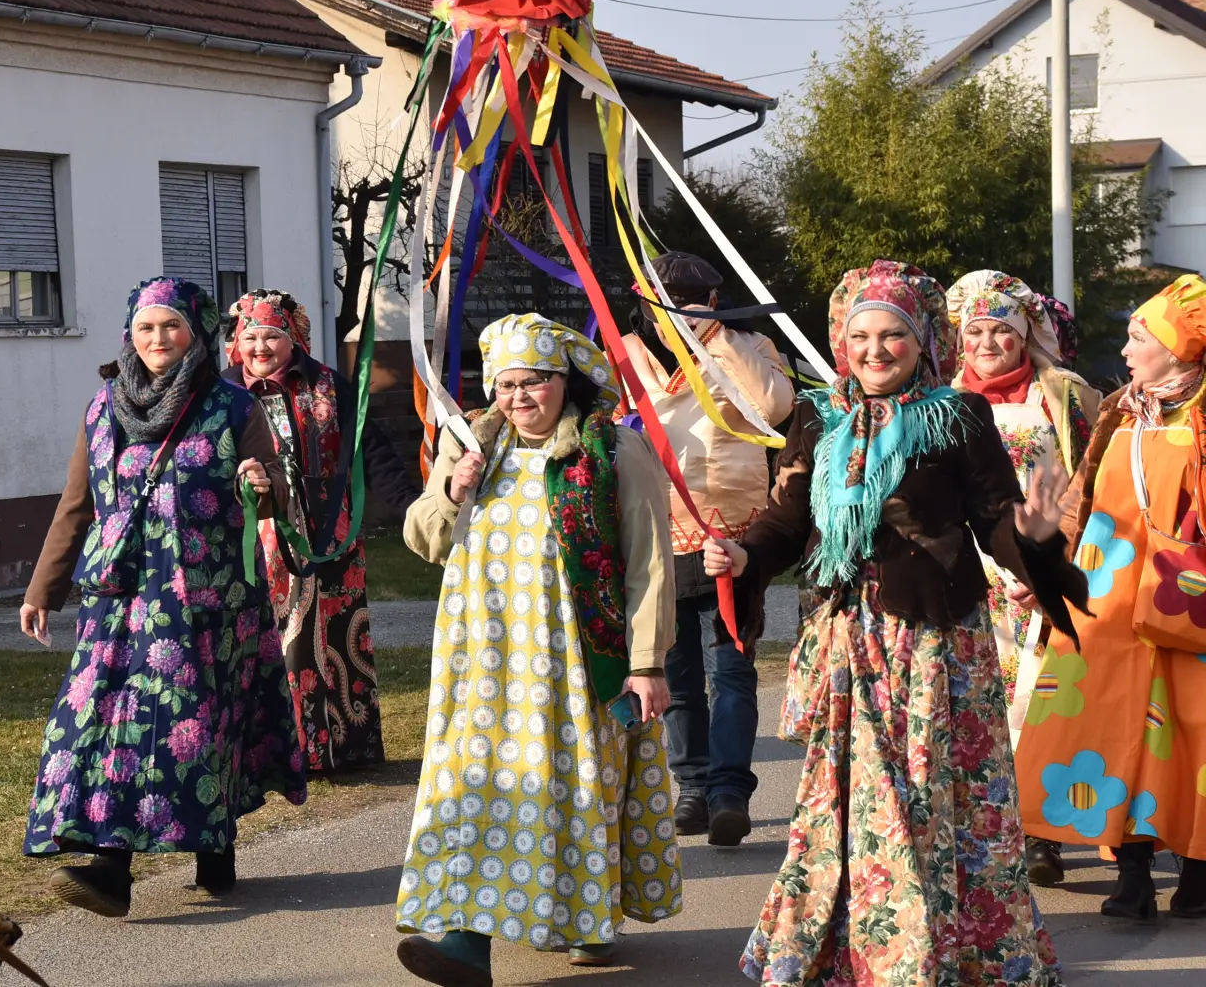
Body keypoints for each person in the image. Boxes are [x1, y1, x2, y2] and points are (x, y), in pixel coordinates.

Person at [704, 261, 1083, 986]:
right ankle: (851, 949)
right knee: (841, 803)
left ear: (921, 343)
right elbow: (789, 521)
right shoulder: (820, 419)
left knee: (930, 801)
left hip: (934, 643)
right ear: (842, 343)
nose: (876, 351)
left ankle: (938, 953)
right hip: (849, 640)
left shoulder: (955, 414)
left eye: (893, 336)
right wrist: (744, 552)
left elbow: (996, 521)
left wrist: (1031, 535)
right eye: (862, 336)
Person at [395, 313, 682, 986]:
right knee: (478, 787)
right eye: (507, 384)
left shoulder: (613, 451)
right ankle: (464, 937)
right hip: (482, 662)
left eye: (535, 382)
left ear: (568, 381)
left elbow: (649, 566)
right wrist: (451, 488)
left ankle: (588, 918)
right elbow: (422, 540)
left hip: (579, 659)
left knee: (575, 786)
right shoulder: (471, 442)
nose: (519, 397)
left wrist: (646, 664)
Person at [20, 277, 305, 915]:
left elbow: (280, 493)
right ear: (130, 335)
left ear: (196, 333)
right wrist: (44, 588)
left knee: (198, 724)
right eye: (147, 328)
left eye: (171, 326)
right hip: (119, 601)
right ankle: (108, 867)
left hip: (208, 601)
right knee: (98, 722)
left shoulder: (232, 407)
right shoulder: (102, 408)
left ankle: (214, 843)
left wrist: (261, 482)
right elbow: (77, 505)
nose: (158, 339)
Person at [1015, 274, 1206, 922]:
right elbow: (1081, 502)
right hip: (1105, 607)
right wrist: (1047, 565)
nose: (1125, 350)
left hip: (1186, 609)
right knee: (1107, 731)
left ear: (1177, 347)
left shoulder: (1205, 415)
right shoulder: (1121, 408)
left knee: (1188, 742)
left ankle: (1199, 875)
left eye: (1138, 336)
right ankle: (1132, 876)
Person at [620, 252, 794, 846]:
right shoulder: (626, 356)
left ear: (713, 302)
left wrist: (717, 340)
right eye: (661, 301)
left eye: (689, 301)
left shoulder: (751, 348)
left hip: (734, 535)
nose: (672, 313)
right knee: (678, 672)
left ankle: (728, 792)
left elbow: (774, 409)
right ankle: (690, 786)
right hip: (655, 533)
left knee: (732, 668)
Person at [222, 290, 421, 774]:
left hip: (332, 537)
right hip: (256, 542)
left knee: (337, 638)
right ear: (235, 343)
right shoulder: (220, 394)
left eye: (272, 334)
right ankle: (276, 755)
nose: (261, 346)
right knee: (273, 641)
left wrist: (414, 510)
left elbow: (372, 453)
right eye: (250, 336)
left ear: (296, 340)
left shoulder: (331, 386)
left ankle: (347, 748)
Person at [947, 272, 1098, 886]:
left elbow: (1091, 486)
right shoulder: (941, 398)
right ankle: (989, 832)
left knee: (1041, 704)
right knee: (978, 708)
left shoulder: (1064, 394)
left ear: (1024, 334)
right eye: (976, 331)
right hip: (970, 574)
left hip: (1045, 566)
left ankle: (1041, 834)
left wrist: (1055, 567)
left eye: (1001, 331)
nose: (988, 342)